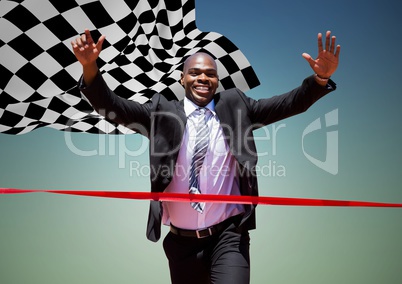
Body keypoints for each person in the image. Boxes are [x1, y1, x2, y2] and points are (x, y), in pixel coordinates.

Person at [71, 29, 340, 284]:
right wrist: (90, 68)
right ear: (182, 78)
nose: (203, 78)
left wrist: (319, 81)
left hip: (229, 237)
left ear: (217, 81)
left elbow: (288, 104)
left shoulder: (236, 104)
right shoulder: (160, 112)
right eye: (195, 73)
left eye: (210, 74)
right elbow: (112, 106)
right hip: (181, 245)